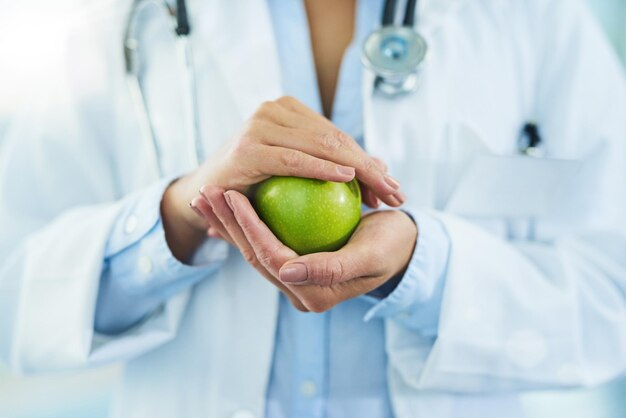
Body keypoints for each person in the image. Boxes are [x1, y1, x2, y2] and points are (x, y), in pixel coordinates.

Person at [1, 0, 625, 417]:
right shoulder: (107, 20)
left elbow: (612, 292)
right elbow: (14, 290)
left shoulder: (541, 17)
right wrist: (178, 219)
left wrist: (421, 268)